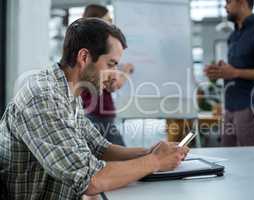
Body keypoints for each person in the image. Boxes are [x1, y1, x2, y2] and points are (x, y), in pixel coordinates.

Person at [0, 18, 189, 199]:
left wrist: (149, 152)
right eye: (111, 64)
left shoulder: (67, 92)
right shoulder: (43, 97)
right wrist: (155, 161)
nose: (115, 75)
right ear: (84, 57)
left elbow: (98, 147)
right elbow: (90, 179)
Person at [204, 0, 254, 146]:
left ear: (243, 3)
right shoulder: (233, 36)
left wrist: (235, 72)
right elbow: (235, 70)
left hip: (250, 107)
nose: (225, 6)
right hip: (230, 106)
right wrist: (220, 71)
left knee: (252, 162)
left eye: (229, 1)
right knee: (228, 159)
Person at [81, 4, 133, 146]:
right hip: (99, 115)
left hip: (92, 113)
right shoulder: (98, 49)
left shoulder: (84, 47)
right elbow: (113, 85)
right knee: (123, 157)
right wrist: (126, 71)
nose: (111, 23)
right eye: (108, 19)